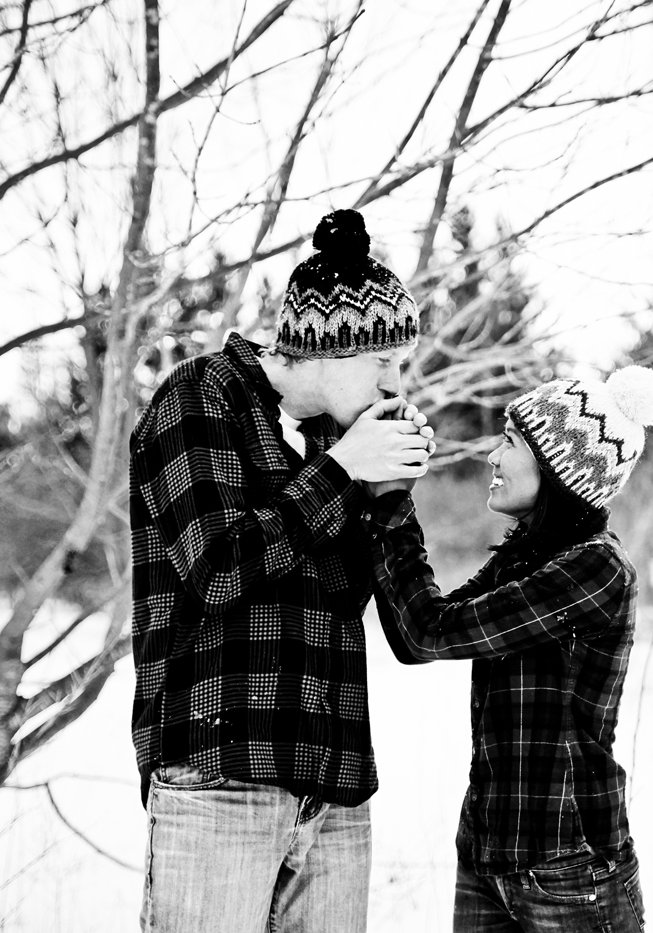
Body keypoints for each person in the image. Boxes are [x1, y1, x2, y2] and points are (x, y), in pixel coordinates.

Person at [128, 208, 434, 933]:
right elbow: (218, 568)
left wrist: (389, 501)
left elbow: (401, 627)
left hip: (334, 791)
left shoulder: (342, 443)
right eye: (382, 362)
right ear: (324, 348)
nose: (396, 384)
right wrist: (342, 471)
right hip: (220, 775)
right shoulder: (200, 396)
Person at [365, 365, 653, 933]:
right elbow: (417, 633)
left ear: (557, 466)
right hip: (487, 857)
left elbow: (431, 632)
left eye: (509, 441)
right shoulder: (518, 560)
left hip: (569, 870)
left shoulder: (595, 569)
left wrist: (391, 504)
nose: (493, 459)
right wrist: (384, 505)